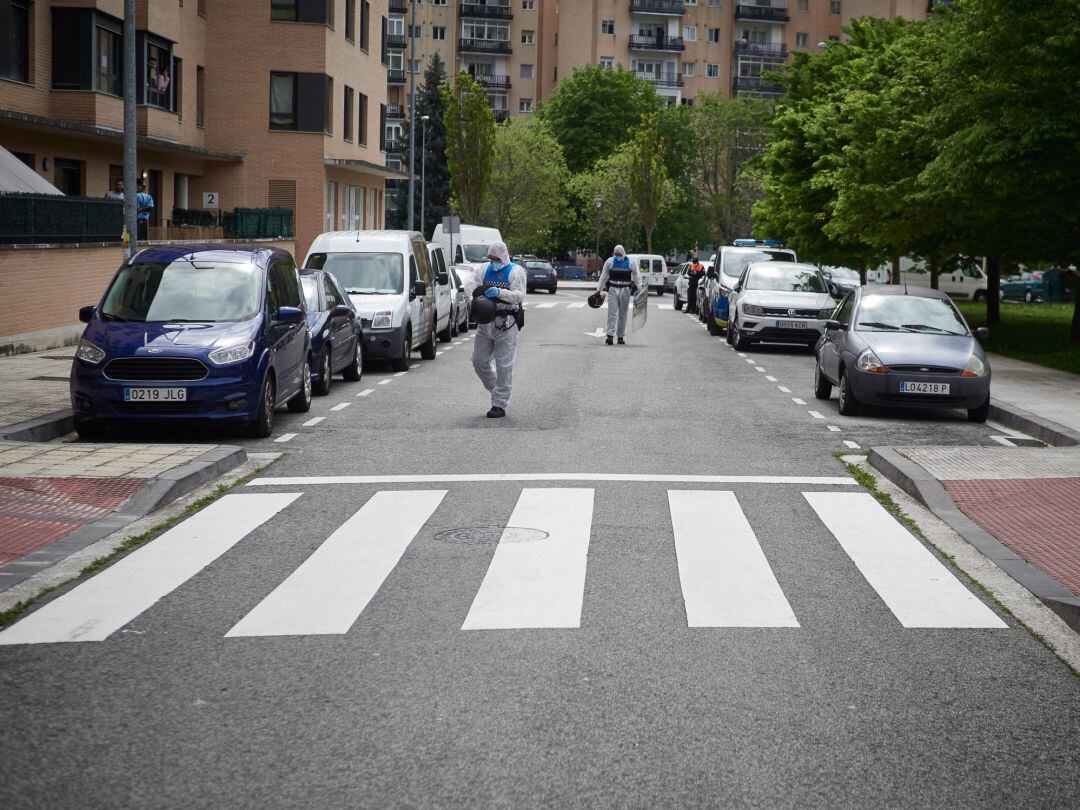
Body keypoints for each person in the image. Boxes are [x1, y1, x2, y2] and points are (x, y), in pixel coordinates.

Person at [470, 242, 526, 418]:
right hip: (485, 322)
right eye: (490, 258)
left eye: (495, 259)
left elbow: (519, 295)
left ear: (503, 257)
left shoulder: (515, 271)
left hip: (506, 323)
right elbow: (472, 287)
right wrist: (474, 298)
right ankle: (497, 390)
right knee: (478, 361)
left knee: (504, 366)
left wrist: (500, 293)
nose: (492, 262)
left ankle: (499, 404)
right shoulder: (483, 270)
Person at [595, 245, 642, 345]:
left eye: (619, 254)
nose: (617, 256)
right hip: (612, 289)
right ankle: (610, 336)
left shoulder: (630, 262)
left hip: (625, 290)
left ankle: (620, 336)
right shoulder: (609, 262)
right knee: (612, 313)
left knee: (623, 314)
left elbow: (636, 275)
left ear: (623, 253)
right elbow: (603, 276)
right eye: (616, 254)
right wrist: (598, 290)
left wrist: (639, 288)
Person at [686, 252, 705, 316]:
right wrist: (692, 272)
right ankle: (688, 309)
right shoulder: (691, 266)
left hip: (697, 283)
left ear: (697, 261)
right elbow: (688, 273)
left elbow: (703, 274)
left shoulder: (701, 266)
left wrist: (696, 272)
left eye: (694, 262)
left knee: (695, 297)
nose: (693, 264)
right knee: (689, 296)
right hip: (691, 283)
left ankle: (693, 309)